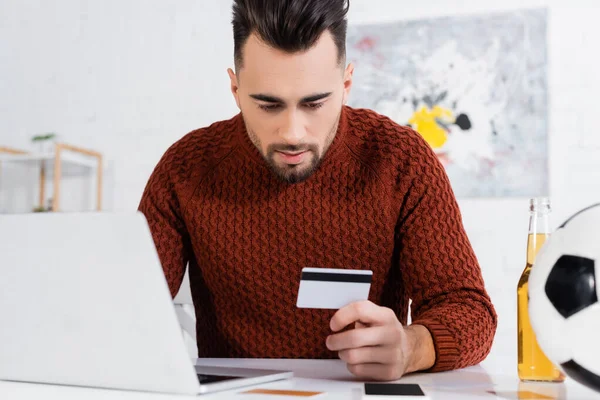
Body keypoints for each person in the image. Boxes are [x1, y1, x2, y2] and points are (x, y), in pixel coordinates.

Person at [138, 0, 497, 382]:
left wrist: (412, 347)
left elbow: (469, 310)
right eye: (268, 105)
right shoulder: (185, 169)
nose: (293, 133)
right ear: (235, 89)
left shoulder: (400, 160)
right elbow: (129, 309)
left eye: (314, 103)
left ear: (346, 85)